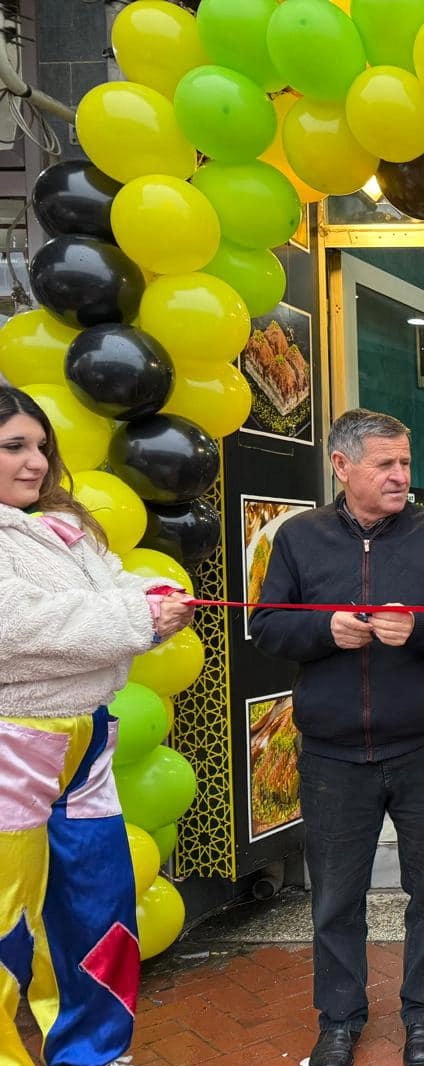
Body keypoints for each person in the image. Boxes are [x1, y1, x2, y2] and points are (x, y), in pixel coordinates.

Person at [252, 409, 424, 1066]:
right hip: (332, 754)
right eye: (385, 464)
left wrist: (421, 629)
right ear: (342, 466)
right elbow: (267, 626)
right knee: (335, 897)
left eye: (405, 462)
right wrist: (324, 629)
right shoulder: (298, 538)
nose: (401, 475)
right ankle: (339, 1020)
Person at [0, 386, 195, 1066]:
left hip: (87, 740)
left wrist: (152, 600)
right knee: (7, 920)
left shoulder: (63, 526)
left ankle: (93, 1054)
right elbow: (14, 626)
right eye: (13, 447)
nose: (35, 462)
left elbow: (113, 588)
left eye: (40, 446)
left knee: (97, 904)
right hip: (13, 742)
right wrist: (138, 617)